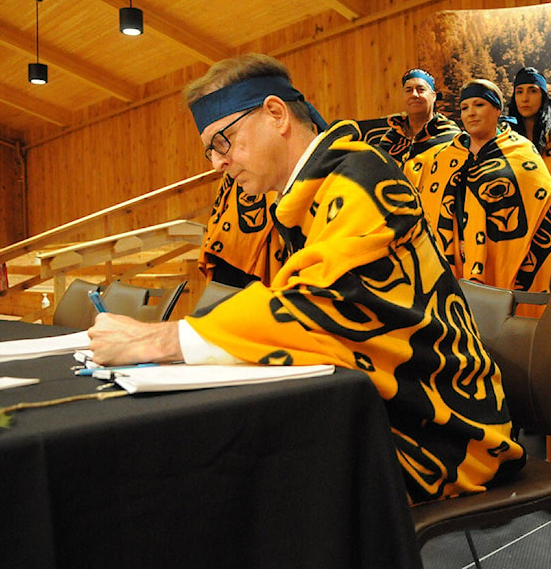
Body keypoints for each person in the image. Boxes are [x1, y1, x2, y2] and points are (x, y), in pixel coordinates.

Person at [87, 53, 526, 505]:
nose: (218, 163)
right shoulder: (312, 193)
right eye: (210, 150)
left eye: (224, 141)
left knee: (221, 476)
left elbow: (316, 307)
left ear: (276, 114)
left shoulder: (360, 179)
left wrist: (159, 341)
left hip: (442, 434)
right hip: (382, 408)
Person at [405, 78, 551, 292]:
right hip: (454, 263)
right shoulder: (446, 156)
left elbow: (544, 203)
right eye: (465, 108)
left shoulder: (520, 152)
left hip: (505, 260)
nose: (471, 113)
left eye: (479, 105)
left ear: (497, 110)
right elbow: (429, 207)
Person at [364, 68, 460, 166]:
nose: (414, 94)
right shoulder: (391, 139)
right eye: (408, 90)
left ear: (433, 96)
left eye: (421, 89)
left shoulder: (451, 137)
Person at [507, 66, 551, 181]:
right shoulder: (504, 139)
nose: (525, 98)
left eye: (533, 91)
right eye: (519, 92)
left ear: (543, 96)